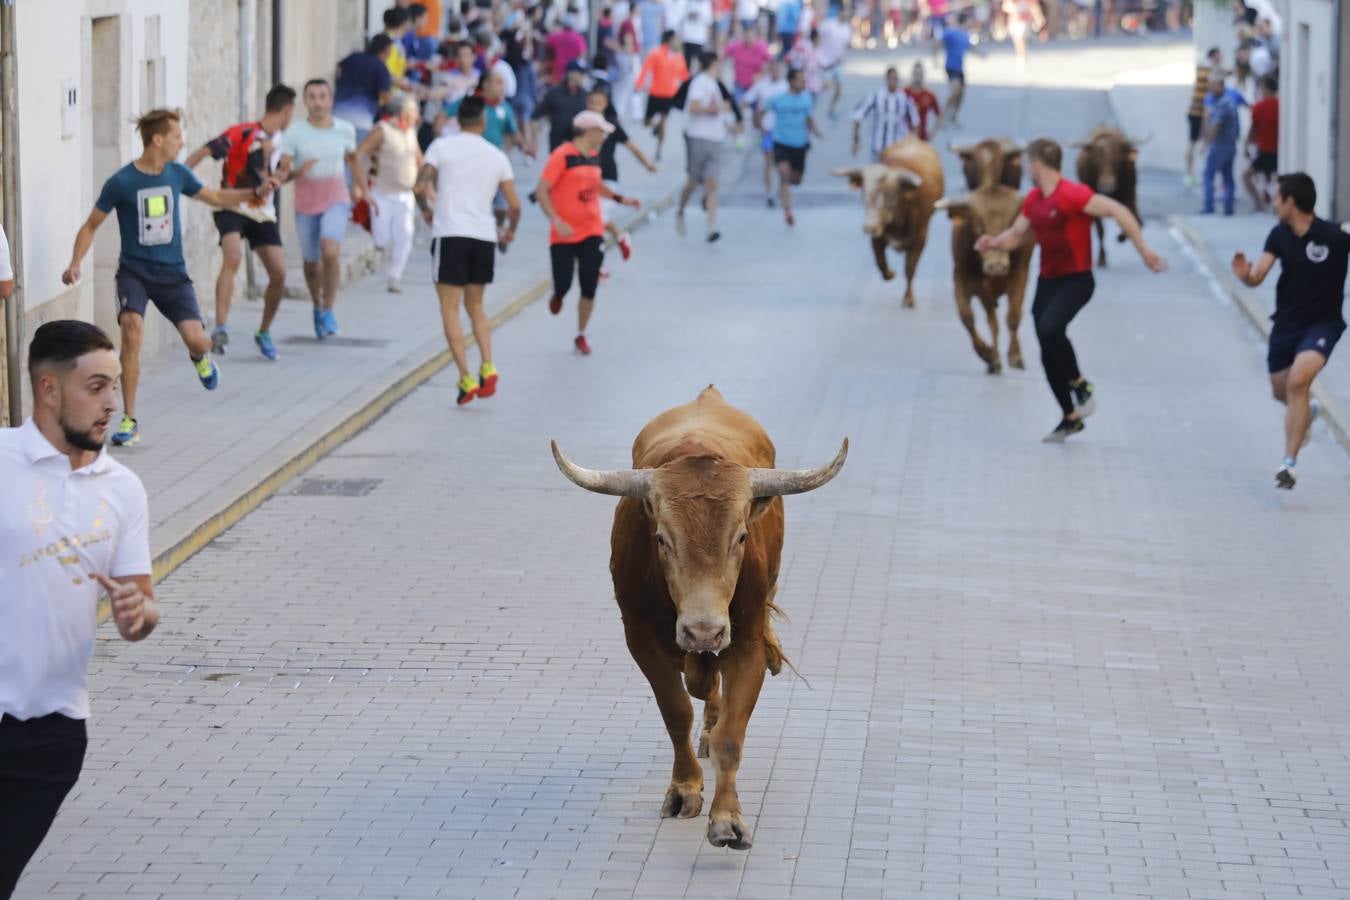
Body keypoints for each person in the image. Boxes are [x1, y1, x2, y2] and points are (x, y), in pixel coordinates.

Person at [0, 321, 160, 900]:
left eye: (115, 386)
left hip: (52, 733)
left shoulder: (122, 489)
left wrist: (133, 609)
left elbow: (141, 613)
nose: (112, 404)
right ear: (49, 390)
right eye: (96, 387)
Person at [61, 110, 270, 447]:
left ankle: (200, 357)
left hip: (173, 275)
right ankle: (130, 420)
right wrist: (75, 263)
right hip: (134, 273)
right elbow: (90, 226)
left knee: (199, 341)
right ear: (158, 140)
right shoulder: (122, 182)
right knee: (131, 333)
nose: (182, 142)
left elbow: (214, 197)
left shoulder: (178, 174)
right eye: (177, 136)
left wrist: (251, 194)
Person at [974, 139, 1166, 442]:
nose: (1025, 169)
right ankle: (1070, 416)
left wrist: (1144, 251)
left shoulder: (1073, 195)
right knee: (1047, 348)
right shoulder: (1034, 199)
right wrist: (994, 242)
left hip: (1077, 280)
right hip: (1048, 281)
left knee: (1051, 330)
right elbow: (1016, 234)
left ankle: (1081, 385)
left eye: (1028, 163)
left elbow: (1119, 210)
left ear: (1038, 164)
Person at [1231, 174, 1349, 489]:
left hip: (1323, 324)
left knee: (1298, 382)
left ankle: (1289, 463)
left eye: (1277, 197)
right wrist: (1245, 276)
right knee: (1281, 390)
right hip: (1286, 325)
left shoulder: (1335, 236)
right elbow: (1258, 276)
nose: (1273, 201)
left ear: (1291, 202)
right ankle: (1306, 415)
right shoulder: (1278, 235)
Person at [415, 96, 521, 406]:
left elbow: (420, 187)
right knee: (477, 306)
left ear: (456, 120)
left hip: (450, 234)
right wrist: (510, 231)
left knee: (450, 308)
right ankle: (488, 365)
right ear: (483, 121)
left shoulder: (441, 147)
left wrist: (425, 211)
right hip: (483, 236)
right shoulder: (496, 154)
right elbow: (514, 204)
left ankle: (465, 379)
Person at [184, 84, 295, 361]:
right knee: (232, 257)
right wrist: (181, 176)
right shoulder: (243, 132)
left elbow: (281, 172)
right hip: (232, 203)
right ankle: (221, 327)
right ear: (286, 111)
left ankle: (264, 332)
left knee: (279, 274)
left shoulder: (286, 142)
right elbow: (206, 150)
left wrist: (281, 178)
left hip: (262, 210)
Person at [537, 110, 641, 355]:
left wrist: (621, 199)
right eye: (602, 131)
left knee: (588, 285)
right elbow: (542, 191)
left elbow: (597, 186)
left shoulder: (594, 157)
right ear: (589, 132)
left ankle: (581, 334)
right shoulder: (561, 156)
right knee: (563, 283)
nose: (605, 136)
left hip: (592, 229)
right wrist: (555, 220)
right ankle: (558, 295)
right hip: (563, 232)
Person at [279, 79, 364, 340]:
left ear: (330, 100)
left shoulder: (345, 130)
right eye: (312, 97)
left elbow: (354, 159)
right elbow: (282, 172)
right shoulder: (294, 133)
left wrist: (363, 189)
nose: (317, 102)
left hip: (336, 197)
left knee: (330, 249)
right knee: (311, 265)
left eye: (322, 96)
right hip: (306, 202)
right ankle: (316, 304)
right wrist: (295, 172)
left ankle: (329, 309)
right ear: (306, 102)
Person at [355, 95, 423, 293]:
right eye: (414, 111)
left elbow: (419, 158)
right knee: (382, 238)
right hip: (383, 193)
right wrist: (360, 184)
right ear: (403, 112)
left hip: (405, 195)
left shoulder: (411, 131)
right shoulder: (382, 130)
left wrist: (426, 185)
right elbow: (359, 153)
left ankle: (395, 276)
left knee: (405, 236)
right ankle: (376, 257)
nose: (417, 115)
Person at [587, 85, 658, 260]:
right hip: (586, 178)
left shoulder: (611, 125)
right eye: (592, 102)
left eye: (599, 102)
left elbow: (632, 147)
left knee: (597, 216)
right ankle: (619, 238)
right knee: (593, 217)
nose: (595, 105)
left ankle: (598, 258)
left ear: (606, 104)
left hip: (607, 177)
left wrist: (647, 164)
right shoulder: (582, 124)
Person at [677, 51, 733, 243]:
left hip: (715, 138)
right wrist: (716, 109)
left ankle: (711, 227)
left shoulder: (714, 84)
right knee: (693, 181)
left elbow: (720, 110)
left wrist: (728, 124)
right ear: (714, 64)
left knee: (712, 183)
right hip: (698, 137)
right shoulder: (700, 82)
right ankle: (681, 208)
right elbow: (694, 107)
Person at [760, 67, 821, 226]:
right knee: (784, 174)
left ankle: (785, 190)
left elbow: (809, 118)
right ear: (791, 81)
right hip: (781, 142)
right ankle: (787, 210)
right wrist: (760, 127)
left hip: (800, 144)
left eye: (803, 79)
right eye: (800, 79)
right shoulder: (778, 99)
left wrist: (815, 131)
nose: (803, 82)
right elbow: (761, 111)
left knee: (797, 180)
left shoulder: (807, 98)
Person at [634, 30, 689, 160]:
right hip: (655, 93)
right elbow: (645, 70)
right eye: (676, 39)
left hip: (669, 94)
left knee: (664, 123)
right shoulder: (656, 54)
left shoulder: (679, 57)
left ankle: (658, 150)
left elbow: (684, 76)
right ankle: (656, 126)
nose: (678, 42)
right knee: (647, 122)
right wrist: (639, 85)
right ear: (670, 40)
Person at [333, 34, 395, 142]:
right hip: (361, 122)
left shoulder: (354, 57)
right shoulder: (381, 68)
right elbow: (384, 95)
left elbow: (337, 69)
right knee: (354, 156)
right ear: (387, 50)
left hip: (337, 115)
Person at [743, 59, 789, 206]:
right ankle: (769, 193)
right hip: (767, 130)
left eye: (779, 70)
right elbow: (746, 99)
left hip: (783, 131)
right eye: (774, 69)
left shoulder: (786, 86)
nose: (776, 72)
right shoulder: (761, 85)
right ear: (770, 70)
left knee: (781, 164)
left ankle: (780, 190)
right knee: (769, 162)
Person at [852, 66, 916, 161]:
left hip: (897, 152)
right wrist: (856, 140)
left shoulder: (905, 99)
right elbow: (858, 116)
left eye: (895, 78)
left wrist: (912, 144)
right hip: (878, 150)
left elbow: (915, 122)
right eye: (890, 78)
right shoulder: (875, 96)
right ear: (886, 79)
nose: (893, 81)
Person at [1201, 73, 1240, 216]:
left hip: (1221, 146)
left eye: (1213, 86)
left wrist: (1206, 143)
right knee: (1227, 177)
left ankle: (1209, 206)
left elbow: (1216, 125)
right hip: (1229, 145)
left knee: (1208, 175)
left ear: (1221, 86)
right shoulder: (1224, 102)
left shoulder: (1223, 103)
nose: (1210, 89)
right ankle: (1229, 208)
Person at [536, 59, 593, 152]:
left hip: (579, 145)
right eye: (582, 74)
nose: (584, 77)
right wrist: (533, 142)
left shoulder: (586, 95)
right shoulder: (554, 93)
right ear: (571, 74)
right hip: (558, 144)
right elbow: (536, 115)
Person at [1184, 46, 1221, 188]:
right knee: (1198, 143)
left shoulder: (1204, 68)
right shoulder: (1209, 71)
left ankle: (1191, 173)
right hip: (1199, 112)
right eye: (1218, 55)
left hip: (1197, 111)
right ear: (1213, 56)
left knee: (1196, 143)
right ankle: (1191, 174)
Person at [1243, 75, 1279, 212]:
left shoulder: (1259, 107)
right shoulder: (1281, 105)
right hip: (1277, 150)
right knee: (1274, 180)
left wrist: (1246, 145)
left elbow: (1253, 129)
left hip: (1265, 150)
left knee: (1246, 176)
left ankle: (1259, 204)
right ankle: (1273, 204)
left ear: (1266, 89)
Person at [938, 12, 976, 127]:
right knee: (955, 92)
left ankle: (953, 117)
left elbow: (970, 47)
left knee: (961, 94)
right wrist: (934, 57)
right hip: (951, 66)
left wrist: (982, 54)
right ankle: (942, 117)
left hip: (960, 68)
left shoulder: (965, 35)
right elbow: (939, 42)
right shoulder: (951, 32)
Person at [817, 6, 852, 118]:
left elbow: (846, 45)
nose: (845, 15)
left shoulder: (847, 28)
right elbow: (818, 36)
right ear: (840, 12)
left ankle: (831, 109)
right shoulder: (829, 24)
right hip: (825, 61)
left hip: (837, 63)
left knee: (839, 89)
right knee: (825, 86)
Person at [725, 22, 772, 102]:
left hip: (755, 85)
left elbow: (772, 63)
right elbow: (722, 54)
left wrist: (761, 75)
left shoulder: (761, 47)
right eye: (747, 36)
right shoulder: (736, 46)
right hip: (739, 83)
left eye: (751, 36)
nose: (749, 38)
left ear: (756, 37)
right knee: (738, 106)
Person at [905, 61, 942, 141]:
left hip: (922, 137)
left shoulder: (929, 95)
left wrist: (933, 133)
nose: (918, 76)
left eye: (920, 74)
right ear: (912, 74)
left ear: (923, 75)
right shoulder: (904, 93)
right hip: (905, 137)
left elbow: (939, 115)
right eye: (916, 73)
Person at [547, 15, 588, 84]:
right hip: (573, 70)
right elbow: (583, 53)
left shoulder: (557, 36)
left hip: (559, 68)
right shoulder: (578, 38)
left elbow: (548, 42)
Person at [680, 0, 715, 68]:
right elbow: (680, 16)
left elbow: (709, 22)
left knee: (700, 64)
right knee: (686, 64)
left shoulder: (706, 4)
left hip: (699, 39)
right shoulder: (686, 2)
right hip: (687, 38)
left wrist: (708, 40)